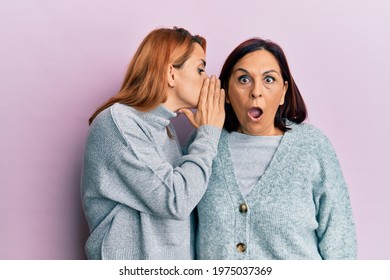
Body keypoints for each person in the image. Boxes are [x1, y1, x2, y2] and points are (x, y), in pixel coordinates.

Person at [191, 38, 357, 259]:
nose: (256, 91)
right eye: (243, 79)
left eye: (269, 79)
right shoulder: (205, 145)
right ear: (227, 93)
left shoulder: (312, 146)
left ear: (283, 92)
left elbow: (340, 241)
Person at [81, 27, 225, 260]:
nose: (207, 79)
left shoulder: (164, 129)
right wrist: (209, 133)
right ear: (171, 73)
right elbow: (176, 200)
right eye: (200, 69)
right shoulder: (118, 124)